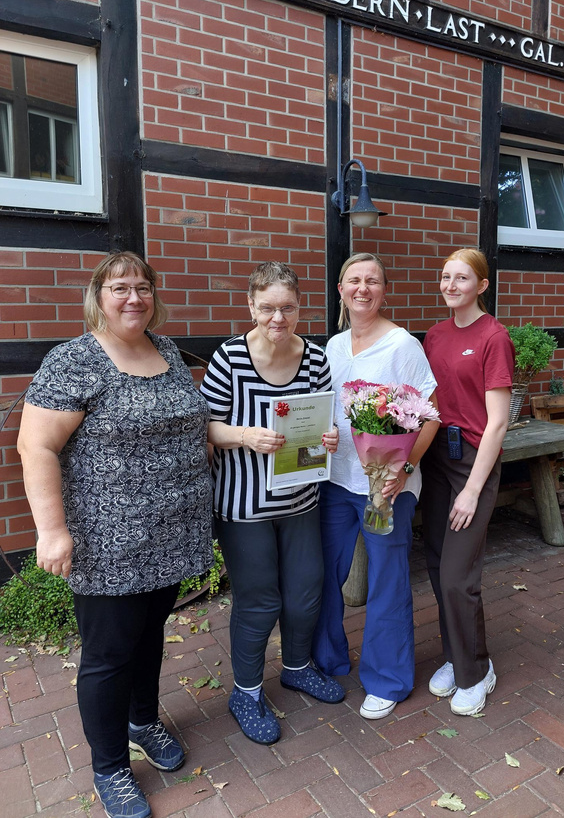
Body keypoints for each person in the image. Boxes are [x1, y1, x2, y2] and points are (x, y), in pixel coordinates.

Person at [17, 252, 213, 818]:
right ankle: (110, 767)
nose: (134, 298)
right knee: (107, 655)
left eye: (143, 287)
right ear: (98, 295)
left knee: (150, 635)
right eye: (120, 288)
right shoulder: (74, 360)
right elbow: (37, 446)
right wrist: (51, 530)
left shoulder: (167, 350)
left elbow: (189, 424)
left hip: (171, 531)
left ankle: (143, 721)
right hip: (109, 541)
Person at [200, 262, 344, 745]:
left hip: (300, 498)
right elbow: (207, 427)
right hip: (243, 507)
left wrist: (329, 436)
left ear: (299, 308)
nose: (277, 318)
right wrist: (244, 435)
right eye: (267, 308)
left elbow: (322, 419)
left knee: (307, 591)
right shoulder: (230, 358)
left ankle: (297, 667)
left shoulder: (316, 358)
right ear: (251, 307)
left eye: (287, 308)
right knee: (260, 601)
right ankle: (245, 691)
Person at [312, 252, 439, 720]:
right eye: (353, 281)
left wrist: (403, 471)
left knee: (386, 581)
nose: (362, 289)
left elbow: (430, 416)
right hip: (335, 484)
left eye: (372, 281)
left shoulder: (402, 346)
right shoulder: (332, 346)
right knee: (324, 573)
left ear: (384, 291)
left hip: (383, 491)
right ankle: (328, 661)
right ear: (341, 290)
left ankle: (388, 679)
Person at [421, 248, 514, 716]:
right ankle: (457, 657)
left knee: (459, 576)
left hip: (472, 462)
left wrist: (473, 490)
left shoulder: (494, 337)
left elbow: (497, 423)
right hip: (436, 457)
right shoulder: (434, 336)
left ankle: (477, 670)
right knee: (438, 567)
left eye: (462, 278)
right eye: (445, 277)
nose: (451, 285)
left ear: (481, 285)